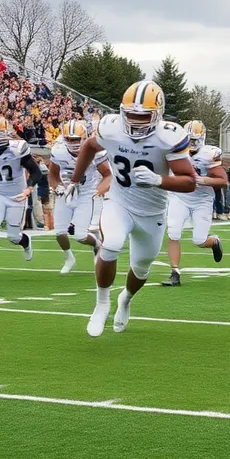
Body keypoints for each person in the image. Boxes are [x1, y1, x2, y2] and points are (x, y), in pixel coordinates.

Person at [68, 80, 196, 337]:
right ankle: (101, 303)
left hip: (152, 212)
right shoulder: (111, 127)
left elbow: (190, 182)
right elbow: (89, 146)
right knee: (111, 244)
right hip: (120, 201)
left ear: (157, 114)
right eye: (131, 115)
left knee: (142, 267)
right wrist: (75, 179)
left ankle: (125, 299)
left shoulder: (168, 136)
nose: (136, 122)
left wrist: (160, 180)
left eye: (143, 116)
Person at [0, 115, 46, 280]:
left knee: (13, 237)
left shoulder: (18, 148)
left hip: (17, 194)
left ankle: (25, 241)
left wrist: (29, 189)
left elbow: (36, 171)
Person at [161, 120, 226, 287]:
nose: (192, 144)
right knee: (173, 232)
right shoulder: (173, 149)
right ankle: (174, 272)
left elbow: (223, 181)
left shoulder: (209, 154)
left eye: (195, 140)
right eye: (189, 140)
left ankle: (214, 242)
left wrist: (204, 180)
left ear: (202, 138)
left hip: (202, 200)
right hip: (179, 196)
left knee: (199, 240)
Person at [48, 119, 109, 274]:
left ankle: (97, 245)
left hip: (87, 193)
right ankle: (69, 258)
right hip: (68, 192)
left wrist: (100, 189)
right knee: (60, 232)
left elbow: (108, 175)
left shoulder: (95, 152)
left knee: (80, 235)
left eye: (75, 139)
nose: (72, 142)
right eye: (68, 139)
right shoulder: (59, 151)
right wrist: (58, 188)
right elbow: (53, 175)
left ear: (84, 137)